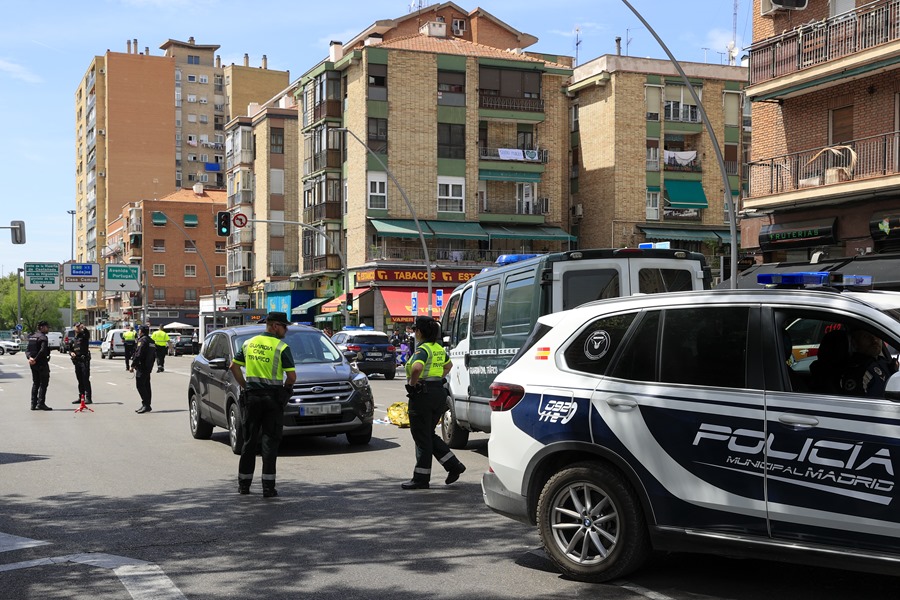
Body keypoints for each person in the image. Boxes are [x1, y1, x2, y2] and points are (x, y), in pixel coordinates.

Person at [230, 311, 297, 498]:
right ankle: (268, 487)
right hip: (272, 400)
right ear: (275, 326)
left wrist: (245, 385)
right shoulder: (281, 347)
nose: (286, 330)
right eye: (285, 326)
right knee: (269, 443)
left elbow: (233, 367)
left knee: (249, 442)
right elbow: (291, 377)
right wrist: (286, 390)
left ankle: (244, 485)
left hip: (251, 398)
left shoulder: (248, 343)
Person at [401, 316, 465, 490]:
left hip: (423, 395)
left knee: (421, 437)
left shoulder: (422, 350)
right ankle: (453, 465)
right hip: (438, 393)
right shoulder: (438, 349)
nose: (414, 333)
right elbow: (449, 365)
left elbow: (417, 368)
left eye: (415, 330)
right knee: (428, 434)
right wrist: (436, 380)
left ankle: (421, 478)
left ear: (420, 332)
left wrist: (413, 385)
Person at [840, 329, 899, 398]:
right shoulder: (858, 371)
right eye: (866, 336)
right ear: (855, 343)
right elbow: (857, 405)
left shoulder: (883, 361)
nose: (874, 340)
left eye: (877, 335)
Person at [25, 320, 53, 411]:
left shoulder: (32, 337)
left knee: (35, 383)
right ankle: (41, 403)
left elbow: (27, 350)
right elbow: (42, 350)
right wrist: (35, 359)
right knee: (43, 383)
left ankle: (33, 404)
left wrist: (30, 358)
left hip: (33, 364)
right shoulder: (43, 338)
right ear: (42, 327)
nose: (47, 328)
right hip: (41, 363)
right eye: (46, 327)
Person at [131, 325, 156, 413]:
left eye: (139, 330)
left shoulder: (142, 340)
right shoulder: (151, 341)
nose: (138, 332)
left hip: (142, 366)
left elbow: (139, 353)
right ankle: (147, 405)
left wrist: (133, 365)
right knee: (146, 385)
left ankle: (146, 404)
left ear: (141, 331)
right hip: (148, 366)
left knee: (140, 385)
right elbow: (154, 356)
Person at [69, 322, 93, 405]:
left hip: (84, 361)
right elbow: (70, 349)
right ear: (74, 328)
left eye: (79, 327)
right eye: (77, 327)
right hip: (77, 361)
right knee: (79, 380)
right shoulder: (73, 339)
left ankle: (88, 398)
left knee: (85, 379)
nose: (78, 328)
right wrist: (71, 353)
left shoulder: (84, 336)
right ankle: (81, 397)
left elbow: (87, 334)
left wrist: (84, 328)